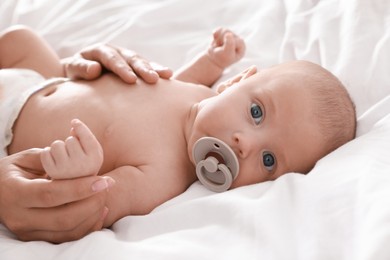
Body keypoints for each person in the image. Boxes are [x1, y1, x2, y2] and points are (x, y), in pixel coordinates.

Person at [1, 26, 356, 243]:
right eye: (256, 113)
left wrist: (77, 171)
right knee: (20, 37)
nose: (245, 144)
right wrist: (213, 60)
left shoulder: (164, 176)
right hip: (43, 80)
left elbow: (96, 202)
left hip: (10, 130)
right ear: (236, 81)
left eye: (269, 160)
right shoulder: (196, 93)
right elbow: (175, 81)